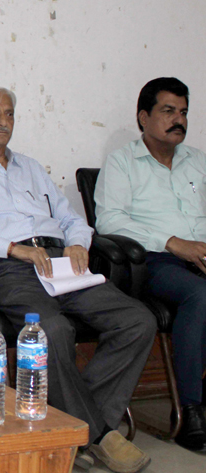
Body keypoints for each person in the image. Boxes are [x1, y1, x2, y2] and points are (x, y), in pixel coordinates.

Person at [0, 85, 156, 473]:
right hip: (4, 267)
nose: (3, 121)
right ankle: (99, 436)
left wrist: (78, 243)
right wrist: (12, 248)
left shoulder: (32, 168)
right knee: (51, 329)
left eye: (9, 114)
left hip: (59, 262)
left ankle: (77, 422)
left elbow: (71, 218)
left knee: (138, 320)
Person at [95, 77, 206, 451]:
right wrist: (173, 243)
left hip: (201, 254)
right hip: (153, 261)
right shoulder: (123, 162)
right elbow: (109, 220)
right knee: (200, 296)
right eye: (168, 111)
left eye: (184, 112)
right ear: (143, 117)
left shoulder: (198, 161)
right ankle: (191, 410)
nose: (179, 120)